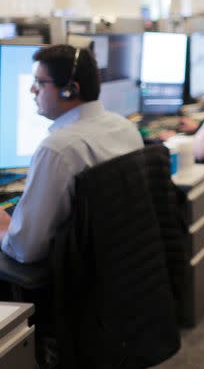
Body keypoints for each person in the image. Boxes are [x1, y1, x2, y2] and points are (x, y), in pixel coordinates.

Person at [0, 45, 143, 263]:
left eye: (39, 82)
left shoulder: (58, 149)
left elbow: (25, 250)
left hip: (79, 280)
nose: (32, 90)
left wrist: (5, 229)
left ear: (70, 90)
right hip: (121, 267)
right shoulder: (125, 128)